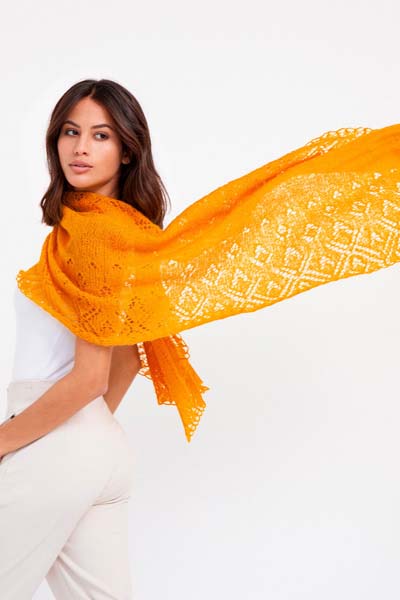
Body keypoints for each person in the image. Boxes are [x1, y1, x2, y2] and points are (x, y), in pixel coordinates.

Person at [0, 78, 172, 599]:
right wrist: (89, 437)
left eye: (101, 135)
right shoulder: (120, 232)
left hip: (52, 442)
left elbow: (91, 376)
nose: (80, 148)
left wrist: (6, 442)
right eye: (71, 132)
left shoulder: (94, 237)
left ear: (127, 150)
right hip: (94, 447)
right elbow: (129, 360)